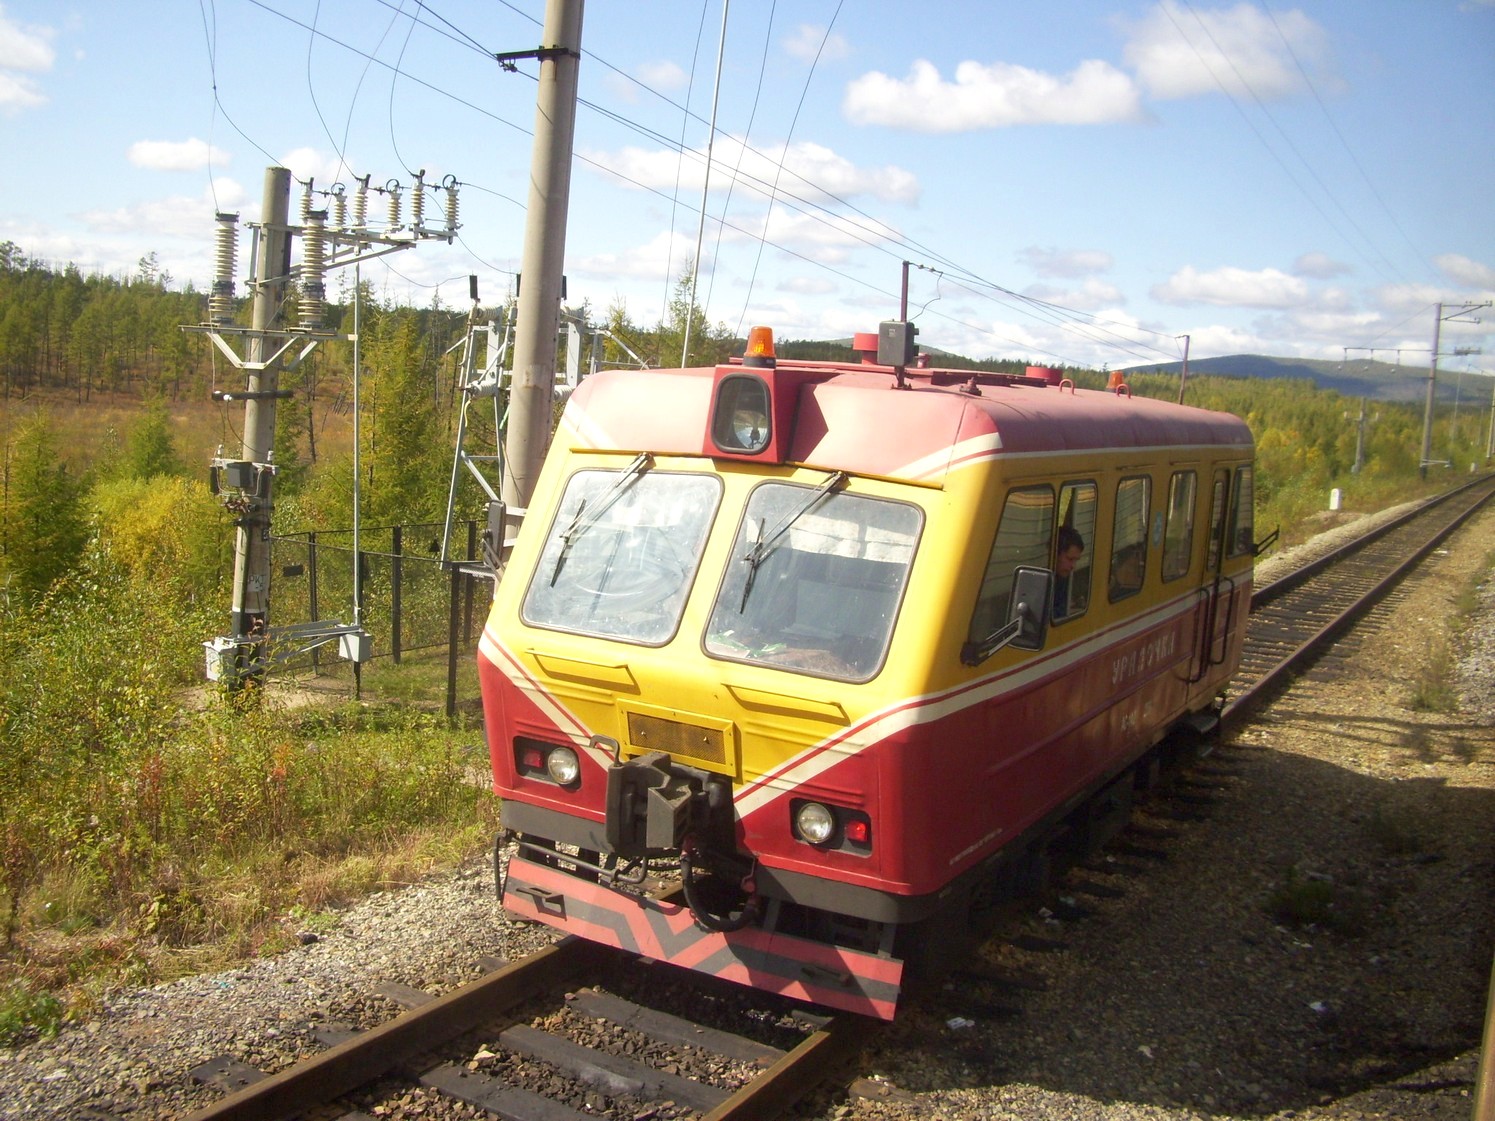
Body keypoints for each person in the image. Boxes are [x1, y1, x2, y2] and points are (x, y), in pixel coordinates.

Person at [1053, 527, 1085, 619]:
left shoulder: (1067, 580)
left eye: (1076, 560)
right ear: (1055, 554)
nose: (1073, 566)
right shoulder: (1040, 581)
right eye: (1070, 559)